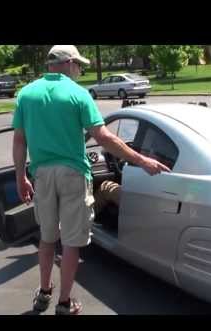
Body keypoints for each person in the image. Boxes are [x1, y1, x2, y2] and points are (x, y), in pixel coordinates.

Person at [12, 45, 170, 315]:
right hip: (73, 174)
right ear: (69, 63)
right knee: (72, 241)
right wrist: (141, 160)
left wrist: (20, 177)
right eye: (79, 66)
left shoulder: (26, 94)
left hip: (41, 174)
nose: (80, 70)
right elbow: (105, 137)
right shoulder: (78, 94)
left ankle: (44, 293)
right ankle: (64, 303)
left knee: (47, 238)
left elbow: (19, 140)